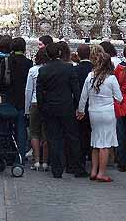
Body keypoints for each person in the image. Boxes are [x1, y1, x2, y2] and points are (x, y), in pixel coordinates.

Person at [36, 42, 87, 178]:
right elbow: (75, 90)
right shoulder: (68, 68)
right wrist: (78, 107)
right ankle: (77, 167)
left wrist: (42, 108)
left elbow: (39, 92)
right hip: (66, 107)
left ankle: (57, 169)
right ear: (59, 53)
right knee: (72, 137)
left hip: (50, 108)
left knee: (54, 138)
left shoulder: (43, 70)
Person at [77, 51, 123, 183]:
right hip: (107, 112)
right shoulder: (111, 78)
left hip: (93, 112)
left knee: (96, 142)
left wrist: (81, 111)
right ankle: (101, 173)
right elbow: (119, 98)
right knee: (105, 144)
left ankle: (93, 171)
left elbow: (83, 96)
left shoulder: (90, 76)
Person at [0, 37, 33, 162]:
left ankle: (6, 155)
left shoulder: (6, 61)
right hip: (22, 99)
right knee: (21, 128)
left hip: (8, 98)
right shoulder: (28, 63)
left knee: (6, 127)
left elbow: (1, 81)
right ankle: (20, 157)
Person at [25, 47, 50, 171]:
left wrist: (26, 109)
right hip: (47, 103)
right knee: (46, 133)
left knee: (34, 132)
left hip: (35, 102)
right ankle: (45, 162)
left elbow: (28, 90)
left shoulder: (33, 70)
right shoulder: (50, 70)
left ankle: (36, 161)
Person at [73, 44, 93, 168]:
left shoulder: (75, 69)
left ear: (78, 55)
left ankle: (80, 159)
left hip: (78, 106)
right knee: (91, 133)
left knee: (80, 133)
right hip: (93, 105)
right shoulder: (94, 69)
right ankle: (91, 156)